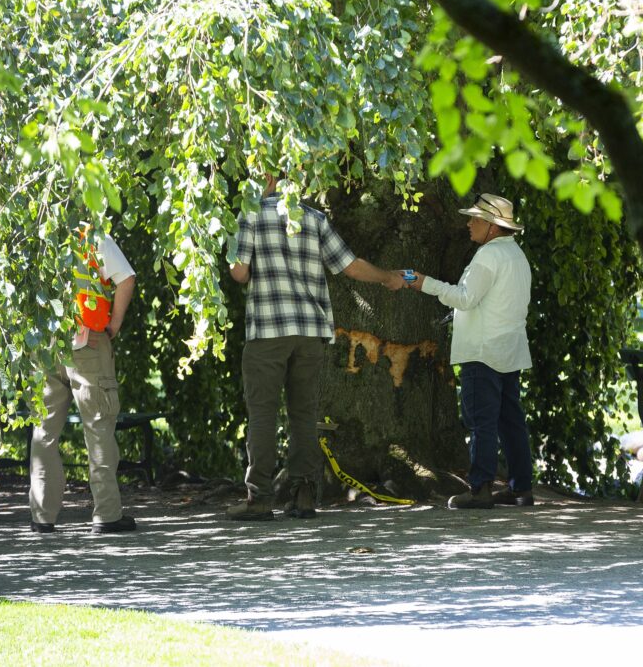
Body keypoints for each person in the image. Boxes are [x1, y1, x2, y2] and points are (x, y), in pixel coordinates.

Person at [227, 175, 406, 521]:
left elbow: (239, 274)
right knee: (304, 415)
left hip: (268, 330)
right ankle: (304, 493)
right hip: (310, 332)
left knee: (263, 414)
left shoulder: (250, 214)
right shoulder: (314, 218)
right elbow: (350, 267)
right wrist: (387, 276)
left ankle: (260, 498)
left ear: (264, 176)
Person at [405, 193, 534, 509]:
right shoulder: (516, 255)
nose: (468, 223)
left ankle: (480, 489)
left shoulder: (488, 256)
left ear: (491, 225)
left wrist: (424, 283)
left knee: (481, 421)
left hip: (483, 350)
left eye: (475, 219)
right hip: (508, 349)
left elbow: (465, 298)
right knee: (510, 420)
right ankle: (521, 488)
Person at [28, 224, 137, 534]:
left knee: (44, 429)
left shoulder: (34, 230)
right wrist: (114, 325)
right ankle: (107, 514)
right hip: (87, 342)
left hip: (44, 345)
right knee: (99, 425)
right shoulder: (91, 237)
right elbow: (126, 278)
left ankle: (42, 516)